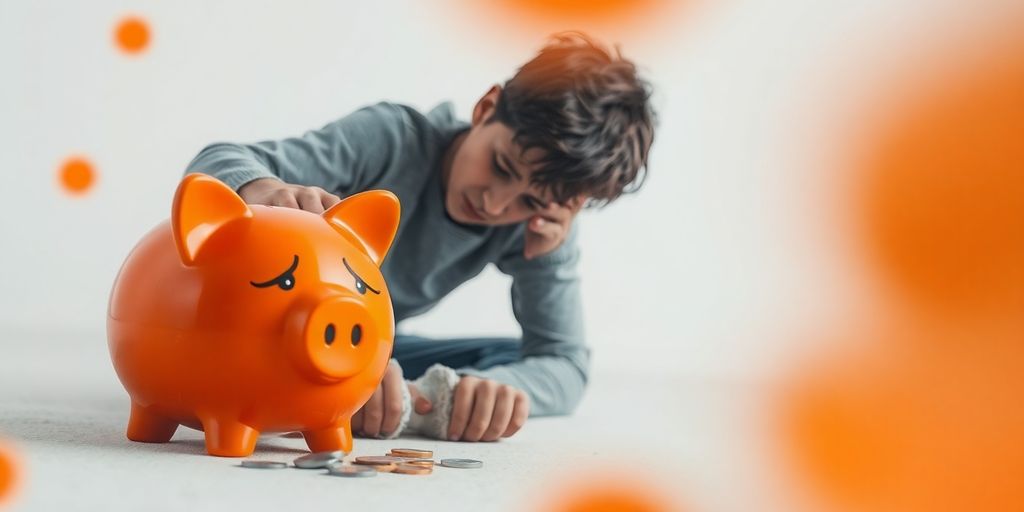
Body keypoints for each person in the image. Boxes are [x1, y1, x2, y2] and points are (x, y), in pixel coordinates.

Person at [185, 31, 655, 442]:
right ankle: (358, 383)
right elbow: (217, 159)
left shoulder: (537, 226)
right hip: (270, 330)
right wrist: (265, 187)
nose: (495, 204)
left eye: (530, 201)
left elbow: (564, 364)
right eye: (501, 166)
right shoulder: (393, 139)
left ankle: (386, 391)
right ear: (486, 108)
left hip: (362, 345)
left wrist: (454, 394)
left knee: (505, 363)